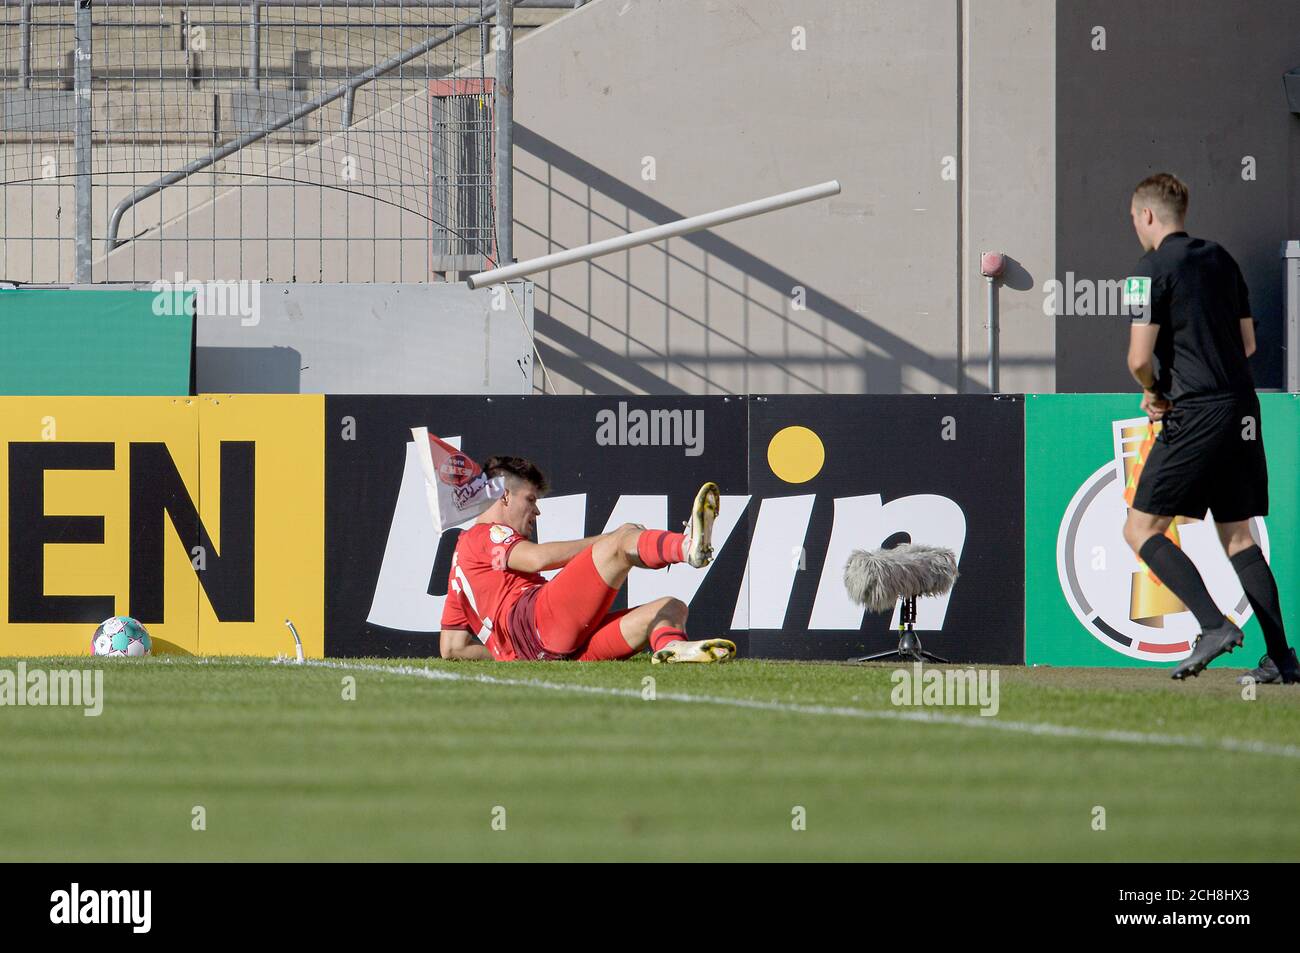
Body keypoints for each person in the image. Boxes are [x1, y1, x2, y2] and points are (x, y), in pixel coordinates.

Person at [1120, 172, 1297, 683]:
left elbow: (1138, 358)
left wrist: (1154, 391)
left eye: (1134, 218)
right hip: (1241, 407)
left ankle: (1212, 625)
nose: (1135, 226)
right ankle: (1283, 660)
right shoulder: (1222, 259)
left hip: (1194, 410)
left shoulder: (1147, 269)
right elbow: (1247, 345)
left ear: (1147, 216)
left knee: (1140, 528)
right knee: (1239, 537)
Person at [438, 456, 736, 664]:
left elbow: (452, 648)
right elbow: (537, 560)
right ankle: (688, 548)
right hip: (539, 624)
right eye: (530, 499)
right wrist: (608, 540)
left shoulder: (461, 565)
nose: (536, 511)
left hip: (556, 650)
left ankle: (672, 648)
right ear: (504, 496)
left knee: (670, 607)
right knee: (622, 538)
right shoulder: (483, 535)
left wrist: (509, 656)